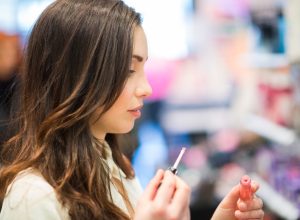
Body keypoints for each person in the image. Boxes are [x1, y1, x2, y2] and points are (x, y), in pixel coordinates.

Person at [0, 0, 264, 219]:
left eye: (143, 68)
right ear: (75, 77)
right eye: (129, 70)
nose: (146, 89)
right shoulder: (32, 198)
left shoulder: (115, 167)